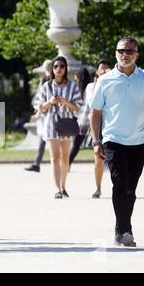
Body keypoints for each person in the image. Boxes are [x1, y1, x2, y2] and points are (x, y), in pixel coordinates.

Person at [90, 37, 144, 247]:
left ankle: (121, 229)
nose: (124, 54)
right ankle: (125, 230)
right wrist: (96, 140)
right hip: (113, 140)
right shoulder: (105, 80)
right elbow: (95, 112)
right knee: (119, 184)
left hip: (139, 141)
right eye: (121, 50)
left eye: (129, 51)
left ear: (137, 55)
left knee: (130, 189)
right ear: (116, 53)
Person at [37, 56, 83, 199]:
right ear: (52, 69)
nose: (58, 69)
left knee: (65, 156)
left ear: (65, 68)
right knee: (54, 157)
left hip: (67, 123)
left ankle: (64, 187)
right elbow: (40, 108)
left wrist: (66, 102)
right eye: (56, 66)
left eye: (61, 66)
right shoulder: (46, 86)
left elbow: (79, 107)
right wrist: (50, 102)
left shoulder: (72, 86)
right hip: (51, 124)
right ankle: (57, 189)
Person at [81, 59, 111, 198]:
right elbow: (90, 105)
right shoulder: (90, 87)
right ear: (97, 71)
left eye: (107, 69)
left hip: (113, 124)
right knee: (98, 159)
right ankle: (98, 188)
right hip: (98, 125)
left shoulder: (115, 84)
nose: (104, 71)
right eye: (101, 69)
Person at [25, 59, 52, 172]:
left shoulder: (44, 80)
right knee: (46, 139)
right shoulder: (57, 80)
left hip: (46, 113)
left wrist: (37, 110)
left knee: (44, 139)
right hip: (52, 113)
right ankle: (38, 163)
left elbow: (39, 96)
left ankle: (38, 163)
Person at [68, 67, 91, 165]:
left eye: (76, 79)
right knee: (76, 144)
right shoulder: (83, 89)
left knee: (76, 144)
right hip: (83, 121)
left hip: (83, 121)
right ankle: (67, 164)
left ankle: (67, 164)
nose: (75, 81)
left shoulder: (86, 90)